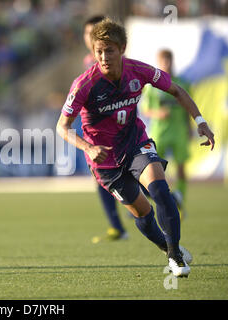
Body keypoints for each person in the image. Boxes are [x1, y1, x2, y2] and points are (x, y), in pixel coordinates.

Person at [56, 18, 215, 277]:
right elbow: (61, 127)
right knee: (143, 212)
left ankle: (175, 256)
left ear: (122, 49)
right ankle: (167, 247)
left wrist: (200, 121)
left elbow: (176, 91)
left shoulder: (139, 70)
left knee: (161, 190)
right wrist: (87, 146)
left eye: (110, 50)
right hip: (106, 163)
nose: (104, 57)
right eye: (99, 51)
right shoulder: (84, 84)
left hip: (136, 144)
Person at [82, 15, 128, 242]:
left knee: (127, 171)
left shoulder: (115, 60)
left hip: (117, 129)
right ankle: (117, 226)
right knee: (101, 176)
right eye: (89, 32)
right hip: (96, 130)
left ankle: (157, 198)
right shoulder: (87, 62)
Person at [142, 49, 191, 219]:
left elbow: (187, 107)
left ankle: (180, 197)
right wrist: (158, 113)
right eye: (163, 61)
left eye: (169, 60)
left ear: (172, 61)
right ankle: (158, 202)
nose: (167, 64)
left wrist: (190, 128)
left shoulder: (182, 83)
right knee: (156, 169)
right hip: (160, 132)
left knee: (181, 166)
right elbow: (145, 109)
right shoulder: (151, 87)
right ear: (159, 62)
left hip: (178, 131)